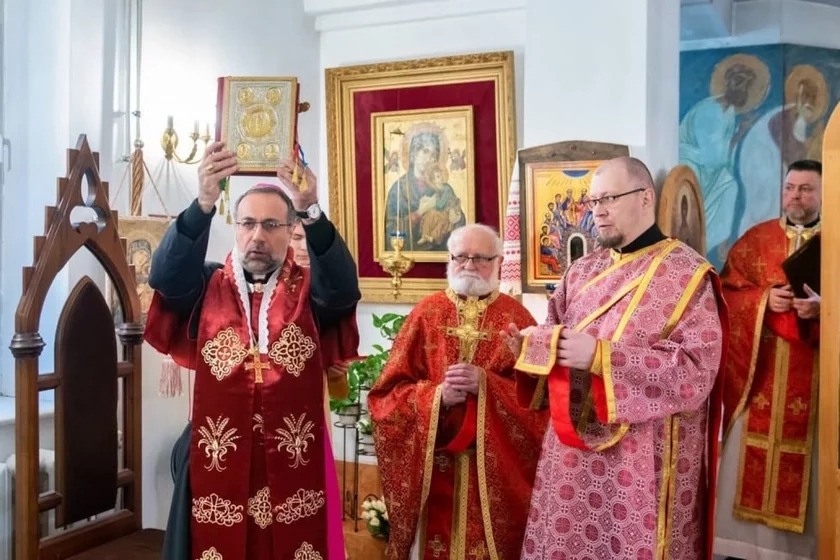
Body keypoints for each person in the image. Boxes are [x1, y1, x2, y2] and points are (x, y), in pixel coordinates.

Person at [502, 156, 727, 560]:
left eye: (609, 198)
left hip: (643, 456)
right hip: (573, 454)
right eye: (593, 201)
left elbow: (695, 370)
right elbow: (554, 334)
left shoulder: (687, 274)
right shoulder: (580, 271)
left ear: (645, 197)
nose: (598, 211)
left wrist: (601, 356)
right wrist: (528, 350)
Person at [144, 141, 360, 560]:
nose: (257, 236)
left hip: (291, 461)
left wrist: (311, 209)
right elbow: (166, 278)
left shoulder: (309, 292)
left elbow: (342, 290)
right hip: (217, 457)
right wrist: (203, 203)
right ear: (235, 227)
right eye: (247, 224)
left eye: (271, 225)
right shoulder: (207, 285)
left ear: (290, 229)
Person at [368, 224, 548, 560]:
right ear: (449, 260)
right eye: (461, 257)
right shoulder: (426, 313)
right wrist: (437, 397)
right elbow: (385, 396)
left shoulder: (517, 318)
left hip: (492, 473)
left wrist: (486, 385)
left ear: (498, 261)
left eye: (480, 258)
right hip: (435, 466)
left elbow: (539, 402)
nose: (469, 265)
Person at [714, 159, 822, 560]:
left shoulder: (835, 242)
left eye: (806, 189)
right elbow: (725, 294)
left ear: (824, 193)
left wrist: (824, 309)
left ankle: (802, 551)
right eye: (790, 187)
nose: (796, 196)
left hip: (816, 380)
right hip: (760, 378)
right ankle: (746, 548)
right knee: (745, 457)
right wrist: (763, 301)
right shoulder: (756, 240)